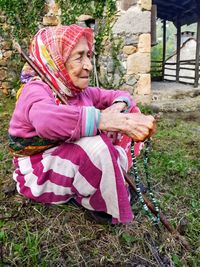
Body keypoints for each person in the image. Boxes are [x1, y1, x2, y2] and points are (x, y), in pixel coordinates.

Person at [8, 24, 156, 224]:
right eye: (79, 56)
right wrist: (103, 119)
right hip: (39, 171)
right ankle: (103, 205)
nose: (88, 64)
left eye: (88, 55)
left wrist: (118, 109)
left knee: (128, 114)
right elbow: (46, 121)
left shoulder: (80, 91)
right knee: (96, 145)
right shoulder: (36, 89)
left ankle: (112, 178)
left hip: (68, 159)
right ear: (57, 60)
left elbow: (122, 95)